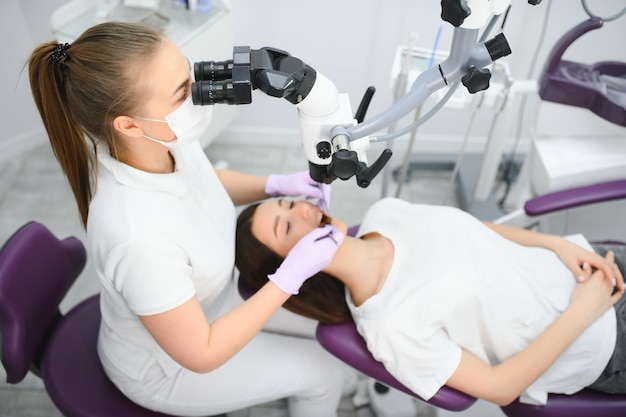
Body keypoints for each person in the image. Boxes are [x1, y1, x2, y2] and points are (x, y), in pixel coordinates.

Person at [27, 21, 351, 417]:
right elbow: (202, 351)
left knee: (335, 321)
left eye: (190, 75)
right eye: (182, 93)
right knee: (325, 371)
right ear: (127, 124)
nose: (197, 97)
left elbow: (201, 183)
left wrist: (276, 184)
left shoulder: (158, 141)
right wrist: (289, 278)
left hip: (214, 300)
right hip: (167, 369)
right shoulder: (137, 239)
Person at [235, 196, 626, 406]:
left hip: (591, 261)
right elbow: (499, 388)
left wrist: (555, 244)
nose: (305, 210)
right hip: (603, 338)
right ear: (292, 270)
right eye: (286, 227)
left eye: (289, 203)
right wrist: (583, 311)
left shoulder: (385, 212)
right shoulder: (388, 324)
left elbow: (472, 228)